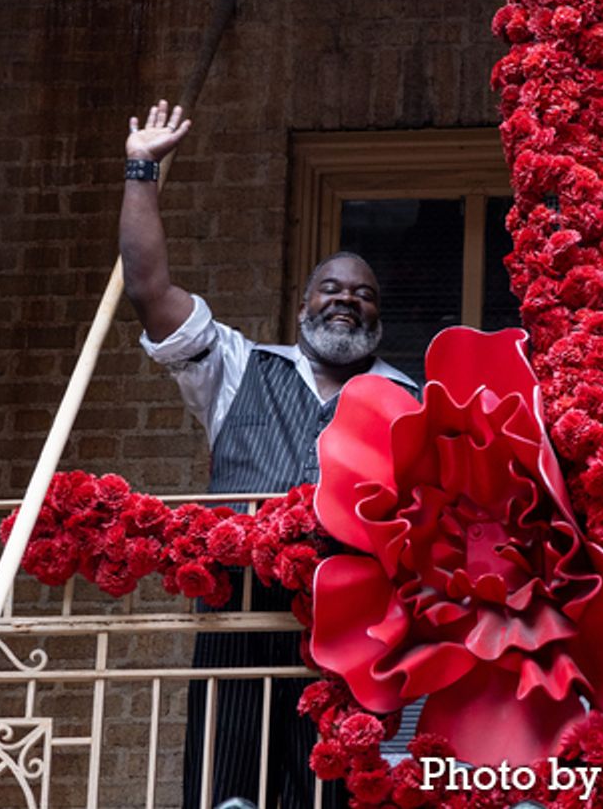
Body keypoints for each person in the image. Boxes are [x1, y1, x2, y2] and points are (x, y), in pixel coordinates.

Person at [119, 100, 417, 809]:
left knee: (342, 796)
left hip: (358, 636)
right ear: (303, 305)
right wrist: (141, 170)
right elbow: (149, 290)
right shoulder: (235, 365)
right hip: (239, 621)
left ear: (380, 315)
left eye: (365, 296)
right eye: (333, 289)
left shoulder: (412, 400)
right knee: (231, 794)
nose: (347, 302)